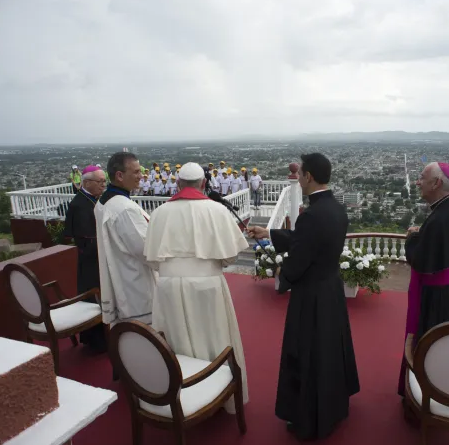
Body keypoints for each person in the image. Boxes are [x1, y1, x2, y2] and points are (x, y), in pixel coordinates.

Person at [247, 153, 360, 440]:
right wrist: (270, 233)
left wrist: (284, 275)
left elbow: (300, 256)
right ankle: (334, 406)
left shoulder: (312, 215)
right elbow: (309, 239)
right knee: (329, 352)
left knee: (309, 354)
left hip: (311, 297)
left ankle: (309, 418)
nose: (298, 178)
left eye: (300, 174)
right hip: (330, 289)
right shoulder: (336, 208)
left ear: (307, 176)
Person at [143, 162, 250, 414]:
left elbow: (151, 258)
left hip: (168, 286)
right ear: (204, 184)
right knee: (214, 338)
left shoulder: (159, 213)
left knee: (176, 341)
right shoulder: (216, 210)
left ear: (178, 184)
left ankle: (182, 398)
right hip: (207, 284)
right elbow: (230, 256)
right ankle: (217, 395)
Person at [397, 162, 449, 396]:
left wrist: (413, 238)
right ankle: (447, 389)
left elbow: (422, 260)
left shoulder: (440, 218)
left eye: (422, 177)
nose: (417, 182)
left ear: (436, 183)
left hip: (437, 298)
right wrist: (422, 234)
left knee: (431, 346)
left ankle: (425, 398)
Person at [94, 152, 157, 327]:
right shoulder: (125, 209)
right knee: (145, 338)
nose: (141, 176)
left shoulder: (102, 203)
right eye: (136, 172)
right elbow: (146, 250)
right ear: (120, 175)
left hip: (120, 275)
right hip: (135, 283)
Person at [63, 165, 107, 352]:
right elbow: (86, 237)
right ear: (87, 182)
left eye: (105, 181)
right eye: (100, 182)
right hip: (91, 261)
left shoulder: (92, 200)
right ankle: (96, 342)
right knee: (93, 300)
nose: (103, 186)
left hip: (95, 259)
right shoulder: (79, 205)